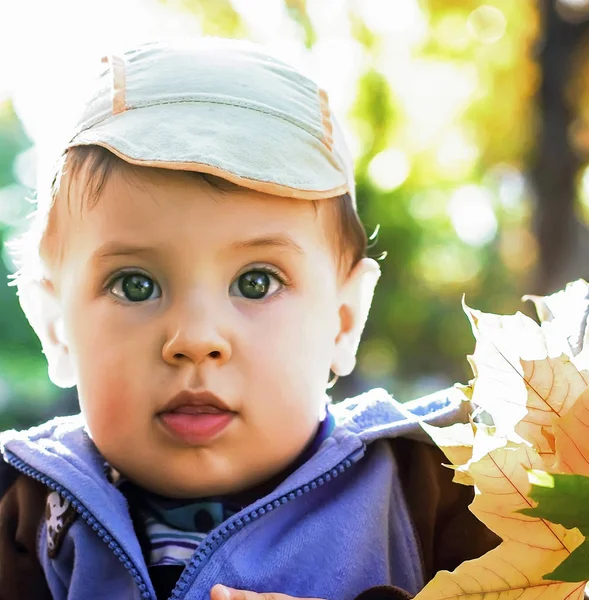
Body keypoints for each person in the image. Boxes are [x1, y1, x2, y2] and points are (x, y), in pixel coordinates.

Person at [0, 39, 498, 600]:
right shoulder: (27, 511)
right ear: (57, 328)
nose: (194, 339)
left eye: (256, 282)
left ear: (342, 320)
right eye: (135, 285)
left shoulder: (437, 488)